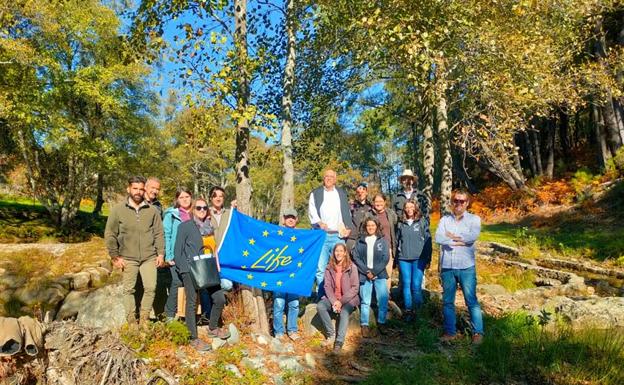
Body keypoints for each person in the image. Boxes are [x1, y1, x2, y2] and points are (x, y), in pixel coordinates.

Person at [104, 176, 165, 324]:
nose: (138, 192)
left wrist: (161, 253)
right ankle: (131, 321)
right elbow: (110, 233)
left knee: (150, 288)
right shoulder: (118, 210)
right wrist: (114, 256)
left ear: (144, 190)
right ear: (129, 189)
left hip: (149, 257)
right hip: (127, 258)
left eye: (141, 189)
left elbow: (158, 233)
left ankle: (144, 320)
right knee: (129, 290)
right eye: (135, 188)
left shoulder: (152, 210)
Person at [173, 197, 230, 351]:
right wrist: (185, 270)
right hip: (191, 270)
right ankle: (193, 338)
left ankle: (212, 328)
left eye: (205, 208)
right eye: (198, 208)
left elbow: (214, 249)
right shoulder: (185, 227)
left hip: (208, 269)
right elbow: (177, 252)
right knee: (191, 303)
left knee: (219, 298)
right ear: (193, 210)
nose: (202, 211)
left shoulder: (210, 227)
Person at [435, 190, 484, 344]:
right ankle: (450, 332)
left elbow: (472, 237)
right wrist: (458, 240)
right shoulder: (444, 220)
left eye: (462, 201)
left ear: (467, 203)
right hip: (447, 266)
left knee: (471, 300)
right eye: (456, 200)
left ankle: (478, 332)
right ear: (452, 202)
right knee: (448, 301)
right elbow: (438, 237)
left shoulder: (474, 219)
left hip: (466, 266)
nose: (458, 204)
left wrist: (450, 237)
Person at [308, 169, 353, 291]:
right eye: (326, 176)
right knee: (320, 268)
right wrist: (319, 222)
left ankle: (340, 295)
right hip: (321, 235)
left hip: (338, 236)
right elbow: (311, 211)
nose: (329, 178)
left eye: (331, 177)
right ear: (323, 178)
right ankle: (322, 295)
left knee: (341, 267)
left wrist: (348, 228)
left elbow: (346, 212)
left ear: (335, 179)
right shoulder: (316, 193)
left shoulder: (341, 193)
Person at [316, 243, 360, 353]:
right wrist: (334, 301)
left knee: (344, 313)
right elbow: (327, 286)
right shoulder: (329, 267)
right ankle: (331, 334)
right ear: (333, 253)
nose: (338, 253)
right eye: (336, 251)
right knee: (320, 306)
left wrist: (341, 302)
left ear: (345, 253)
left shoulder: (352, 267)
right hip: (333, 298)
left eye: (341, 251)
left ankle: (339, 342)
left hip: (348, 300)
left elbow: (355, 288)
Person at [352, 217, 390, 337]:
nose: (370, 227)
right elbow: (356, 257)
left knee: (383, 299)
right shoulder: (360, 241)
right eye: (368, 225)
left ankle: (382, 322)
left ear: (377, 226)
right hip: (364, 274)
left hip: (379, 274)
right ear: (365, 227)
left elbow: (385, 258)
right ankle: (364, 324)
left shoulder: (382, 241)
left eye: (373, 225)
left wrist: (374, 272)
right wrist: (366, 271)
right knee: (365, 301)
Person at [396, 200, 432, 321]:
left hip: (419, 258)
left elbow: (428, 240)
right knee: (406, 284)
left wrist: (428, 258)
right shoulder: (400, 223)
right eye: (407, 207)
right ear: (404, 209)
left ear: (415, 208)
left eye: (412, 206)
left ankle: (419, 312)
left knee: (416, 286)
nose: (409, 209)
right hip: (404, 258)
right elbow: (397, 241)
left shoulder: (422, 222)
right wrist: (396, 258)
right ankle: (408, 311)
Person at [163, 187, 194, 321]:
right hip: (176, 255)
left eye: (187, 196)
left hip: (192, 256)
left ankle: (188, 315)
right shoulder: (171, 215)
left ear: (191, 197)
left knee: (193, 285)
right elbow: (167, 235)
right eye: (181, 197)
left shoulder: (196, 212)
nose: (184, 199)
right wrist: (168, 256)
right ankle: (169, 315)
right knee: (176, 282)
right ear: (177, 199)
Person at [273, 208, 301, 341]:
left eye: (293, 217)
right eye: (288, 217)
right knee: (279, 303)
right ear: (284, 219)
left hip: (294, 275)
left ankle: (292, 330)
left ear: (296, 220)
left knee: (294, 304)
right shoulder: (277, 234)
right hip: (279, 275)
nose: (290, 219)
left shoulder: (301, 236)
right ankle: (278, 331)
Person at [369, 193, 398, 294]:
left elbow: (397, 226)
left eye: (381, 201)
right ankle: (375, 296)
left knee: (387, 274)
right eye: (376, 201)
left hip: (388, 248)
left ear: (385, 202)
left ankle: (385, 296)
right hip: (373, 249)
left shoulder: (390, 214)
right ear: (373, 203)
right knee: (374, 273)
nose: (378, 203)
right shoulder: (369, 214)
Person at [349, 182, 372, 246]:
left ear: (366, 193)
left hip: (367, 238)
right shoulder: (351, 206)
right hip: (353, 238)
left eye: (363, 192)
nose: (360, 194)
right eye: (358, 192)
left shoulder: (370, 207)